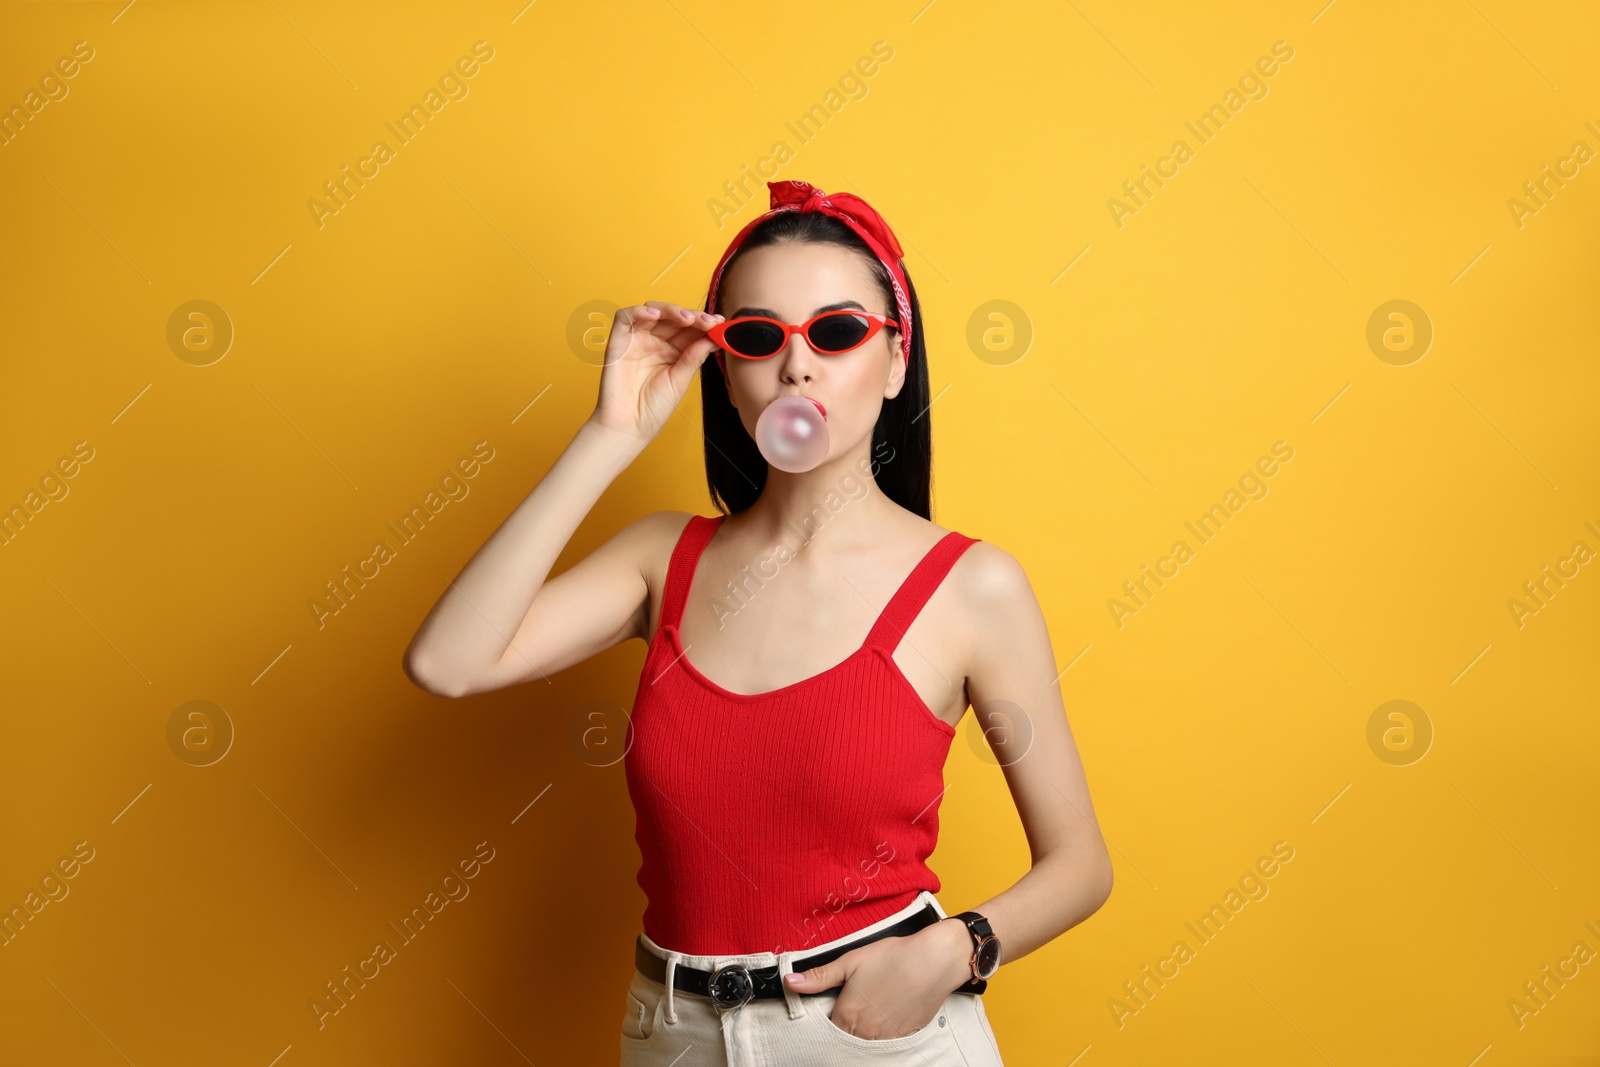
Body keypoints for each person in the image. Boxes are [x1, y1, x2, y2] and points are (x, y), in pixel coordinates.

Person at [402, 180, 1113, 1065]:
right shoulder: (662, 560)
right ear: (725, 367)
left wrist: (950, 949)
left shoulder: (971, 588)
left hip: (877, 1038)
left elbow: (1080, 864)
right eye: (758, 335)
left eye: (838, 330)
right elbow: (448, 660)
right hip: (671, 1033)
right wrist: (611, 433)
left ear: (895, 362)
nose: (797, 365)